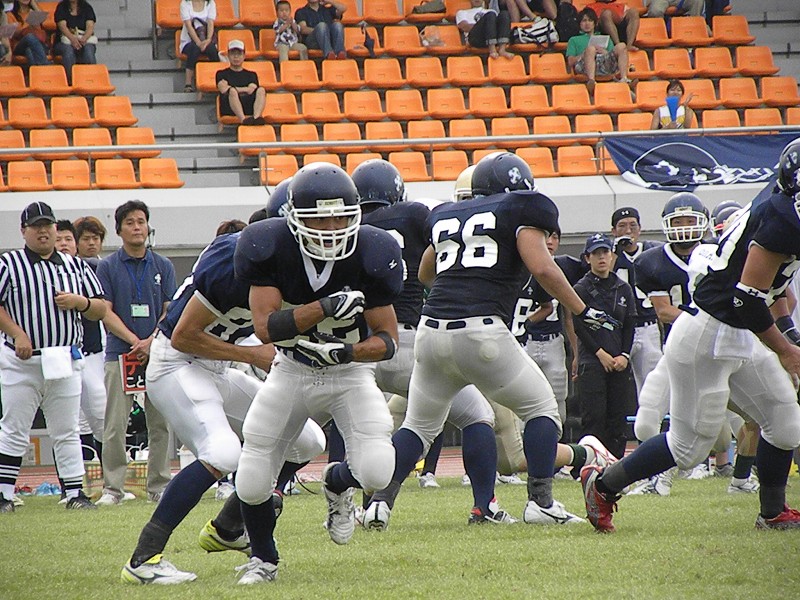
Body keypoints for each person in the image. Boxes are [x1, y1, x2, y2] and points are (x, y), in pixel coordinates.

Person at [365, 152, 618, 531]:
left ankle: (378, 506)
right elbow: (542, 267)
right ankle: (541, 502)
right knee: (541, 409)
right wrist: (582, 310)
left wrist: (460, 285)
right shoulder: (521, 209)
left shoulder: (447, 214)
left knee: (418, 426)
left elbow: (426, 272)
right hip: (481, 330)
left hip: (431, 332)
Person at [581, 139, 800, 533]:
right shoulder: (783, 218)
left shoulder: (780, 202)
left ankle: (772, 512)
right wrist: (786, 350)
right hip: (710, 333)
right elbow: (747, 299)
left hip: (737, 331)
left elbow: (775, 287)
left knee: (784, 419)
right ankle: (602, 485)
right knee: (688, 446)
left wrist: (789, 333)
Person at [229, 163, 403, 584]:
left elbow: (388, 340)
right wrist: (324, 307)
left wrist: (349, 351)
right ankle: (263, 560)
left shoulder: (372, 250)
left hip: (349, 375)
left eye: (340, 218)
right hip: (292, 370)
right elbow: (265, 328)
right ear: (293, 219)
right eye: (319, 219)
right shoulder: (269, 247)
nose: (331, 228)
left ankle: (336, 481)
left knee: (378, 471)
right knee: (251, 478)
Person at [121, 230, 326, 585]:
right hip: (175, 364)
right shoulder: (236, 261)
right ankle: (143, 559)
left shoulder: (293, 268)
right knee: (223, 452)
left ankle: (228, 527)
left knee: (307, 441)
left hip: (216, 369)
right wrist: (252, 355)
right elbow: (183, 336)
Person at [353, 159, 514, 525]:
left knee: (356, 430)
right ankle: (484, 505)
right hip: (406, 342)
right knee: (476, 415)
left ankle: (369, 504)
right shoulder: (414, 214)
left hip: (361, 349)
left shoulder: (350, 227)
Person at [0, 202, 106, 513]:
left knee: (67, 429)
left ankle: (74, 492)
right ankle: (4, 493)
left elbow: (101, 307)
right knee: (14, 427)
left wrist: (80, 302)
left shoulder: (75, 265)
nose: (43, 231)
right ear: (24, 231)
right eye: (36, 226)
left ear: (55, 229)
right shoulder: (9, 264)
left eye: (47, 225)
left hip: (64, 358)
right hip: (22, 361)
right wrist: (17, 333)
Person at [96, 201, 177, 506]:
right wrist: (135, 341)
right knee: (115, 424)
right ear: (119, 230)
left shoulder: (163, 265)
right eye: (129, 222)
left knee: (160, 424)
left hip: (158, 353)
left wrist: (151, 341)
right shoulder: (107, 266)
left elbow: (170, 310)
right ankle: (113, 489)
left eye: (141, 221)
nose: (137, 227)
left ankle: (159, 485)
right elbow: (105, 311)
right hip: (121, 352)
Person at [572, 233, 636, 460]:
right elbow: (579, 326)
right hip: (592, 360)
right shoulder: (581, 289)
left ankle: (616, 464)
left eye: (605, 252)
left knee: (617, 418)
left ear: (612, 256)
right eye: (596, 254)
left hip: (619, 361)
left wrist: (624, 355)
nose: (601, 258)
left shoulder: (623, 288)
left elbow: (630, 324)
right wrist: (601, 354)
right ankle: (589, 464)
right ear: (587, 258)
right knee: (594, 417)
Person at [610, 206, 663, 397]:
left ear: (640, 229)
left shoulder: (651, 252)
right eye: (622, 226)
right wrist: (615, 251)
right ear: (613, 231)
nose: (628, 230)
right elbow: (603, 277)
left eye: (633, 225)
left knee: (652, 384)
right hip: (620, 327)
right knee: (617, 385)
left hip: (648, 324)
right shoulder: (610, 255)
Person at [566, 7, 631, 96]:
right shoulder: (574, 40)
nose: (587, 23)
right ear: (579, 24)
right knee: (591, 49)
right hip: (584, 66)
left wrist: (604, 52)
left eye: (590, 20)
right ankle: (591, 81)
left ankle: (624, 79)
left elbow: (612, 55)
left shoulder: (605, 38)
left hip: (604, 64)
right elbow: (570, 62)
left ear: (594, 23)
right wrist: (584, 54)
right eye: (584, 21)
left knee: (622, 46)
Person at [216, 39, 266, 125]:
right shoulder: (221, 74)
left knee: (261, 90)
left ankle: (256, 118)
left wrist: (234, 88)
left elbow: (252, 89)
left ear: (244, 56)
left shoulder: (251, 74)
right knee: (232, 92)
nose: (236, 57)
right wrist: (243, 89)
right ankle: (243, 120)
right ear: (228, 55)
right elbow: (223, 89)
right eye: (233, 54)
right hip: (230, 108)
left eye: (239, 54)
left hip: (248, 106)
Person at [53, 0, 97, 85]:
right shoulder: (61, 7)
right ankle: (71, 81)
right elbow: (62, 26)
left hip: (83, 40)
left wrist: (84, 38)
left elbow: (90, 26)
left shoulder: (87, 7)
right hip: (64, 41)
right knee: (68, 51)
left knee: (88, 50)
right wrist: (72, 39)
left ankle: (91, 80)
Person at [180, 0, 220, 93]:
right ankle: (188, 83)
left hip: (206, 39)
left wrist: (208, 40)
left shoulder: (210, 3)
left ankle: (217, 80)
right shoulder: (185, 3)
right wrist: (198, 42)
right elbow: (188, 25)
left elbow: (210, 23)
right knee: (194, 49)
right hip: (189, 41)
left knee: (212, 49)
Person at [9, 0, 51, 65]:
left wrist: (34, 4)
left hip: (39, 43)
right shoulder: (10, 15)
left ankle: (36, 70)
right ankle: (45, 65)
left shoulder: (34, 12)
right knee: (30, 36)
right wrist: (28, 25)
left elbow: (46, 22)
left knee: (29, 50)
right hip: (19, 45)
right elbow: (12, 33)